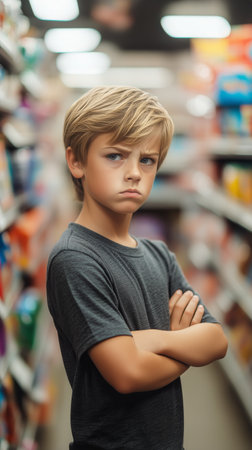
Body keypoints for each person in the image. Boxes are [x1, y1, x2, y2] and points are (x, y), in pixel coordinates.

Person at [46, 86, 228, 450]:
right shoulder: (76, 259)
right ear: (76, 161)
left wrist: (156, 340)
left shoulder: (160, 254)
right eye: (115, 156)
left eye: (147, 160)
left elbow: (217, 340)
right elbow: (128, 374)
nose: (134, 173)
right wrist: (184, 351)